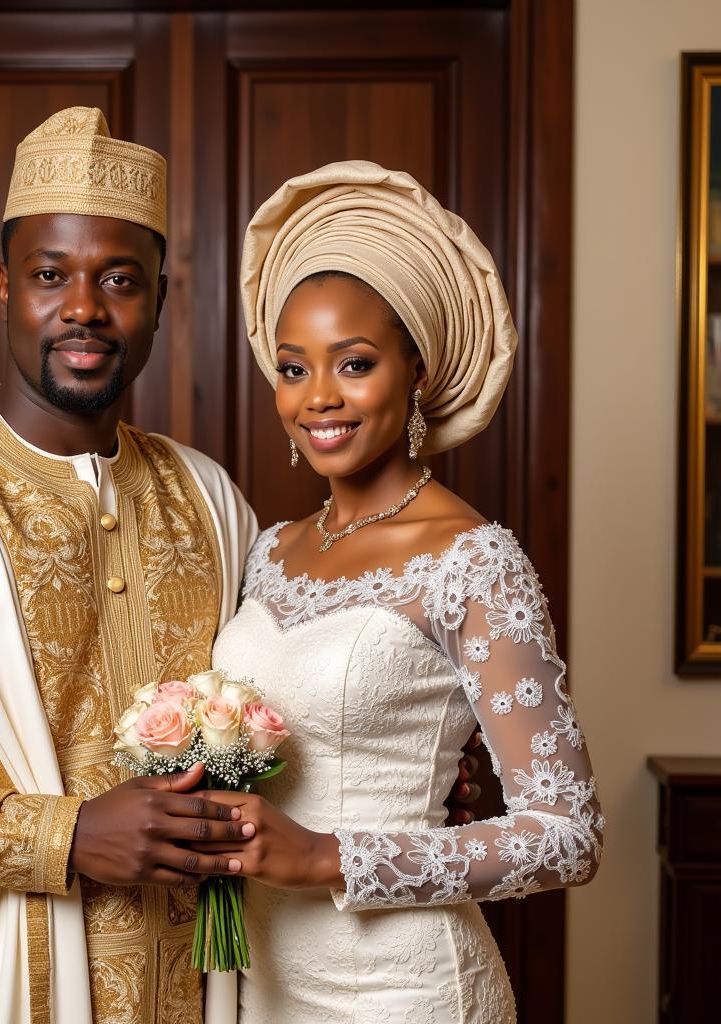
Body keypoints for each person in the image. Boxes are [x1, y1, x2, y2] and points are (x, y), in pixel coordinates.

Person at [0, 111, 480, 1023]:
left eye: (119, 279)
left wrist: (435, 740)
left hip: (203, 980)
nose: (84, 307)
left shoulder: (206, 496)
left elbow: (291, 695)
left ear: (160, 300)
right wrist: (68, 832)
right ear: (5, 286)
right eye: (51, 275)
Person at [195, 162, 605, 1023]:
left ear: (416, 370)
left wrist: (324, 859)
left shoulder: (472, 560)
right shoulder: (269, 551)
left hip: (404, 991)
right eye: (293, 368)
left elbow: (567, 835)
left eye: (354, 364)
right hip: (259, 982)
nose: (318, 400)